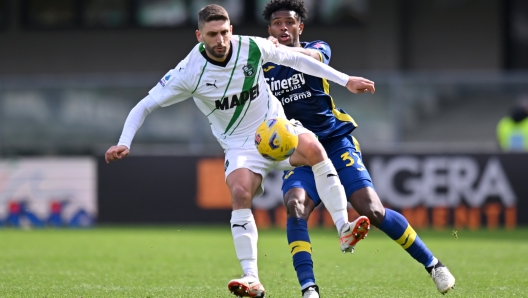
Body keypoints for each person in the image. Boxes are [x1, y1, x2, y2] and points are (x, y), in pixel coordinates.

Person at [104, 4, 376, 298]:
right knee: (239, 191)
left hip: (274, 127)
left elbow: (300, 61)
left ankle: (343, 227)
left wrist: (345, 80)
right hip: (240, 145)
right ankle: (251, 278)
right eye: (212, 35)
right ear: (199, 36)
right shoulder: (188, 72)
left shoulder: (252, 48)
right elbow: (145, 104)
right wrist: (124, 141)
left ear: (231, 29)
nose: (219, 40)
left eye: (224, 32)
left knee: (314, 148)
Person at [261, 1, 456, 297]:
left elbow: (313, 58)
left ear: (300, 27)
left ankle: (433, 265)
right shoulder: (264, 68)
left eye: (289, 22)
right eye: (277, 23)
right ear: (270, 29)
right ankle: (309, 289)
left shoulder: (317, 48)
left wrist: (278, 50)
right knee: (295, 207)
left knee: (371, 210)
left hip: (335, 140)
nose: (283, 28)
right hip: (299, 149)